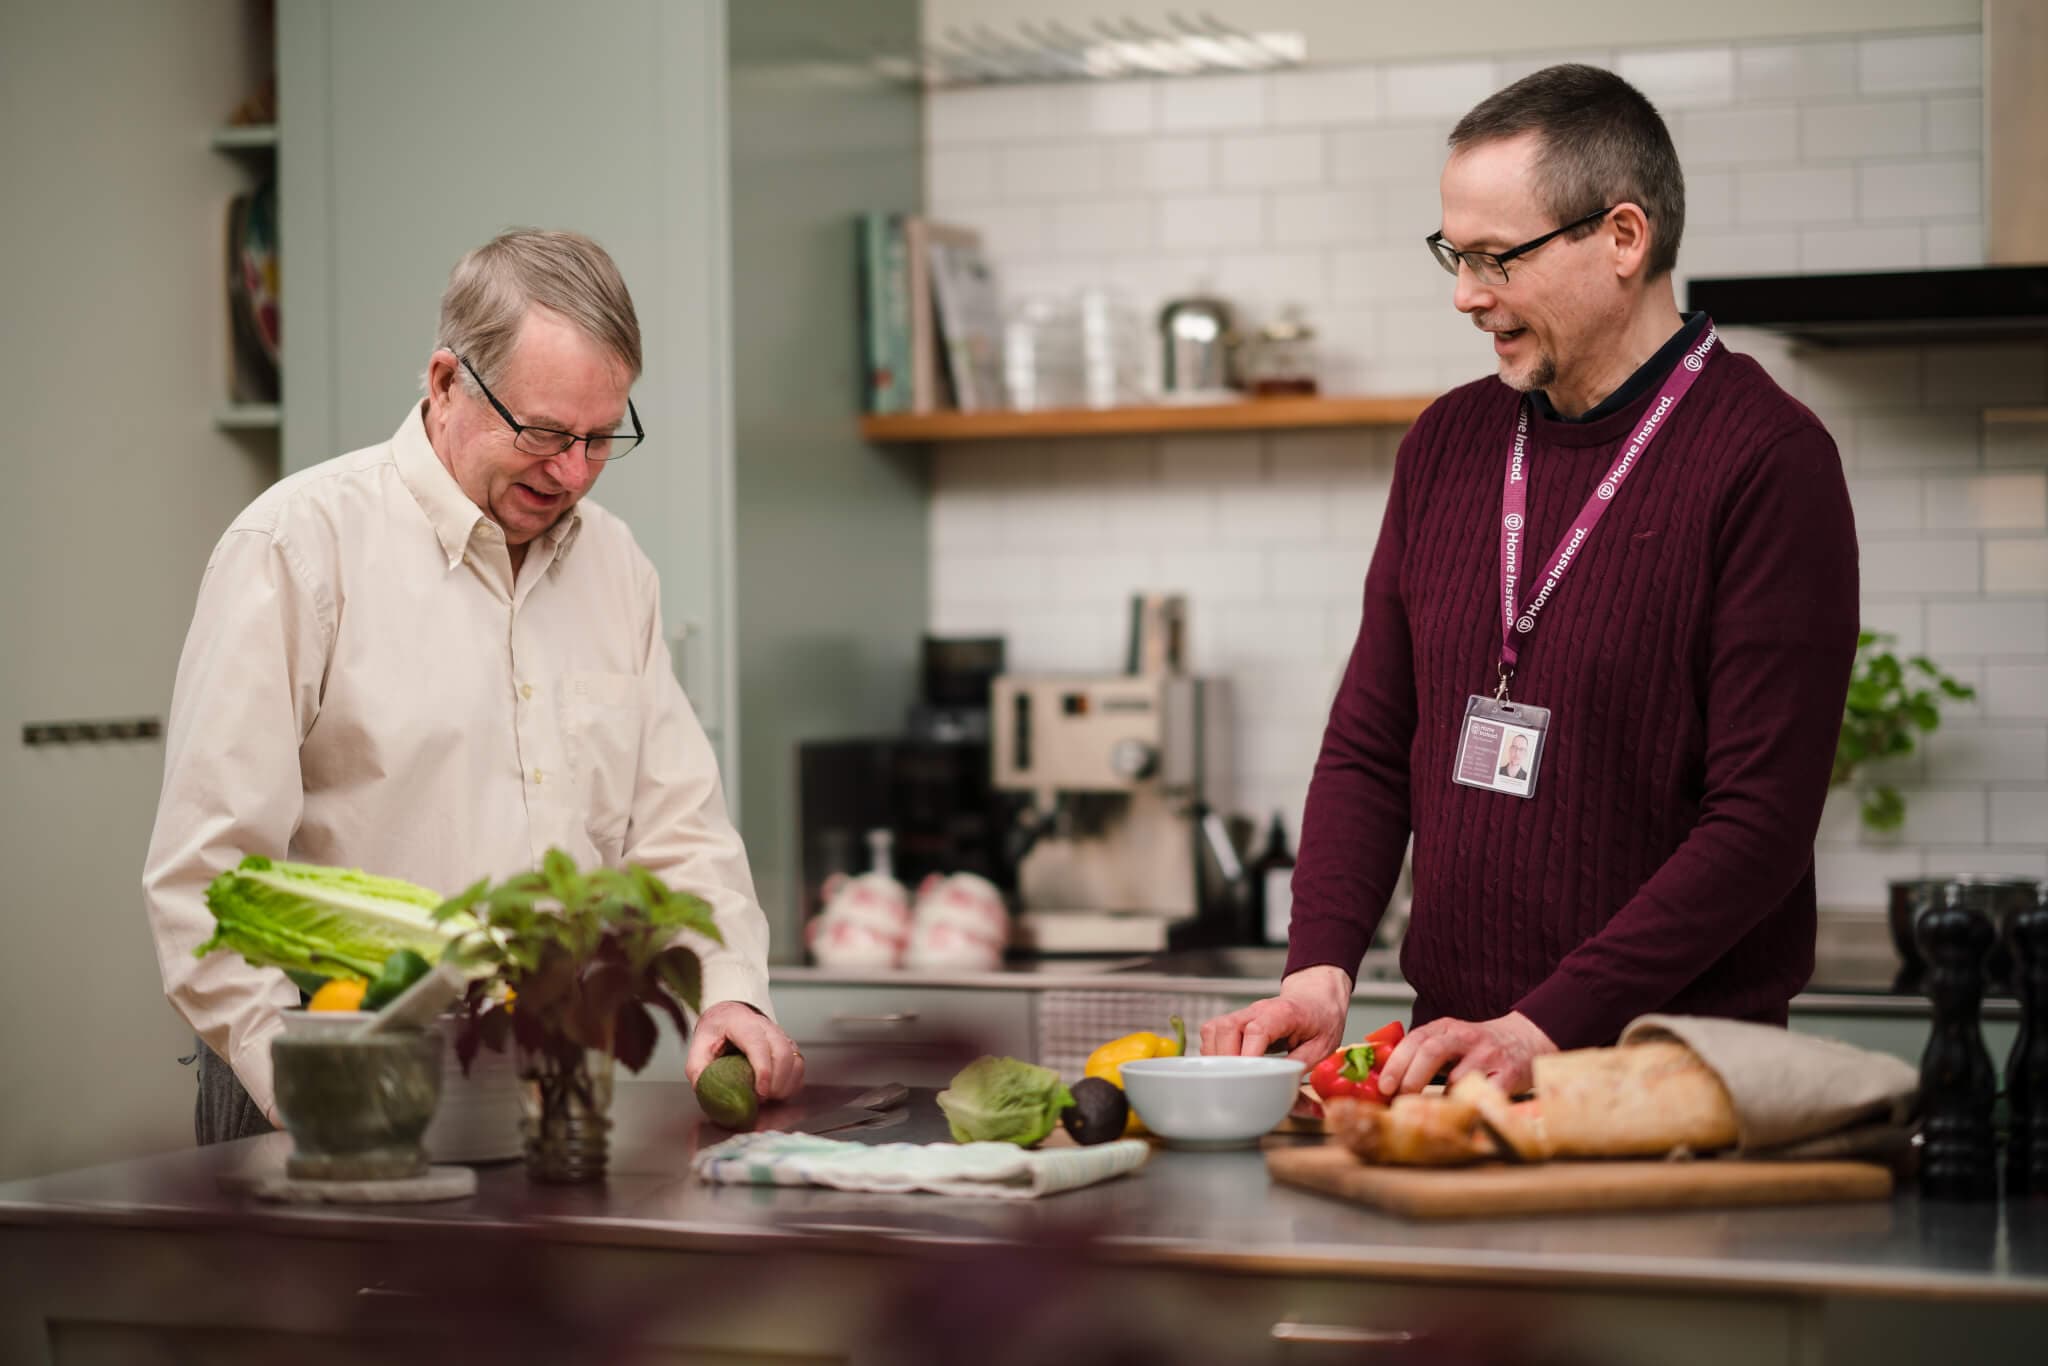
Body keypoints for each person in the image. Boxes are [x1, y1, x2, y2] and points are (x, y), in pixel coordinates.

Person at [1201, 65, 1857, 1096]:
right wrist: (1318, 972)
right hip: (1452, 1074)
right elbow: (1373, 746)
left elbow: (1757, 825)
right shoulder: (1445, 443)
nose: (1465, 294)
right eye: (1452, 255)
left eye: (1495, 257)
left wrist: (1538, 1025)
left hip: (1664, 1087)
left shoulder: (1767, 459)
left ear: (1622, 239)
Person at [144, 229, 805, 1142]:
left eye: (600, 438)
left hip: (549, 1084)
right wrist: (307, 1082)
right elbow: (204, 878)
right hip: (322, 1069)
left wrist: (731, 992)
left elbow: (678, 830)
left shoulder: (615, 567)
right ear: (447, 381)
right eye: (542, 433)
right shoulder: (298, 548)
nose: (572, 472)